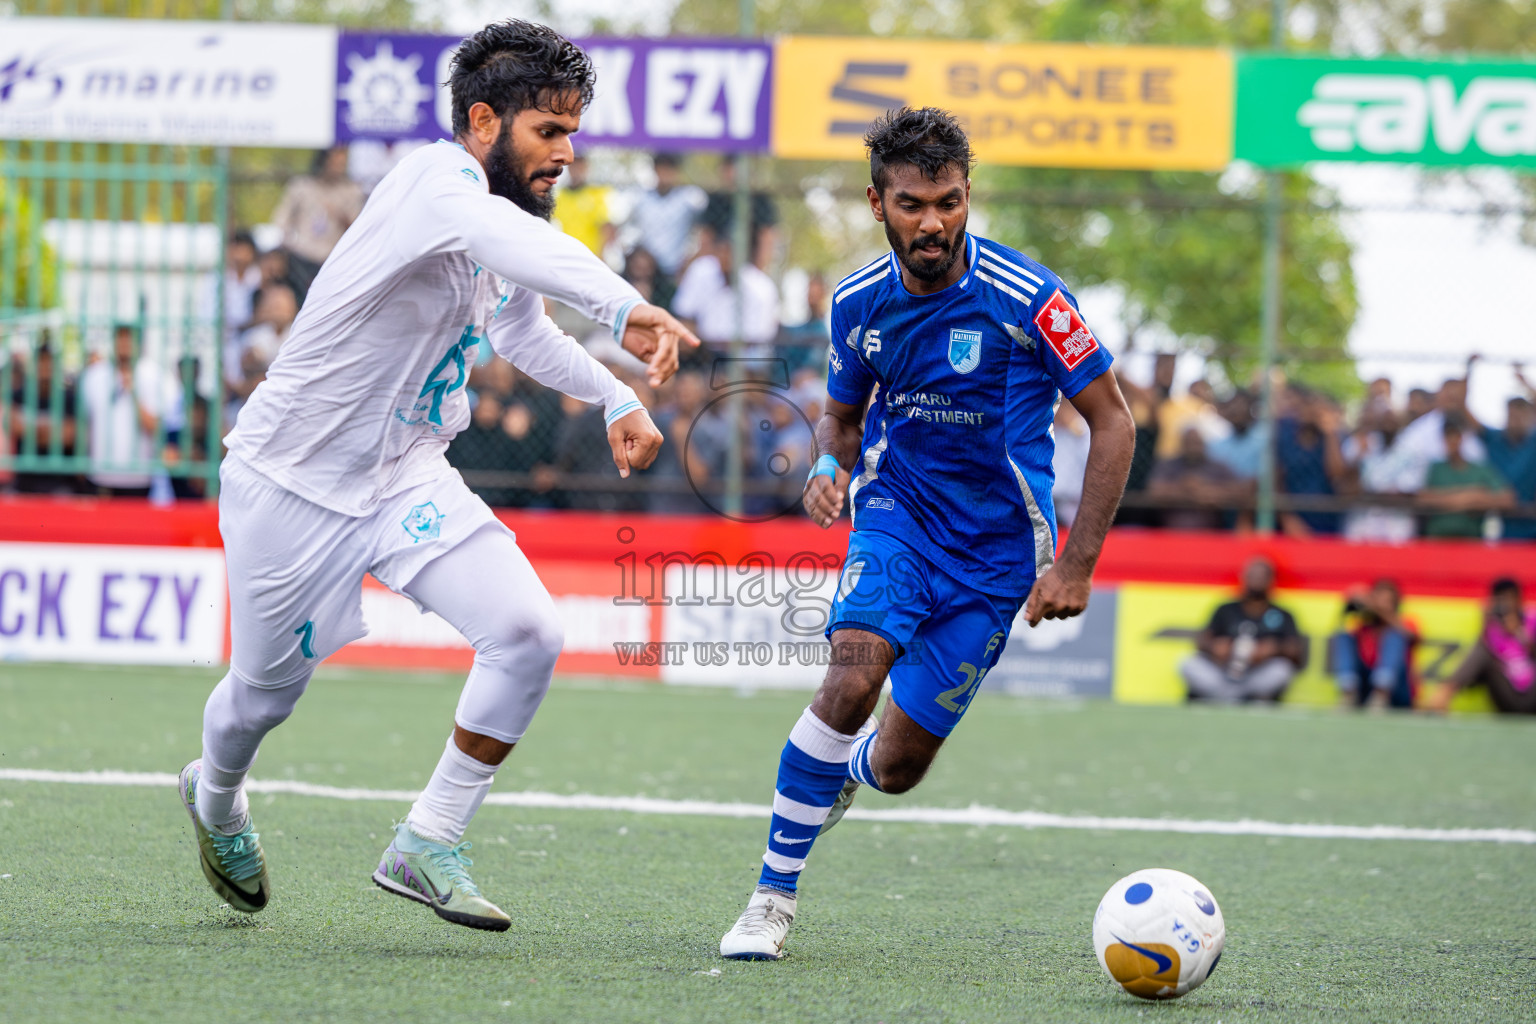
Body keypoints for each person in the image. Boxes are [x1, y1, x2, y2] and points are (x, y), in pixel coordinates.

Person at [177, 21, 700, 932]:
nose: (567, 153)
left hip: (407, 476)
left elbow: (521, 327)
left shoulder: (509, 219)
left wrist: (613, 395)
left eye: (574, 132)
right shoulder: (435, 181)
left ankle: (427, 838)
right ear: (485, 119)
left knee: (529, 632)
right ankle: (216, 795)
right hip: (289, 481)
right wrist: (624, 305)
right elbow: (503, 240)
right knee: (261, 700)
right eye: (550, 131)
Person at [717, 107, 1135, 960]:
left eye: (948, 200)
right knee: (848, 681)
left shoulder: (1033, 300)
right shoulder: (855, 303)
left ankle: (844, 776)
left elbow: (1115, 423)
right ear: (878, 203)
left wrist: (1077, 565)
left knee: (899, 768)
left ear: (969, 194)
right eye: (912, 203)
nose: (933, 221)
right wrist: (829, 469)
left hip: (996, 562)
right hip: (897, 520)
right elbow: (840, 417)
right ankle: (770, 899)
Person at [1179, 557, 1304, 703]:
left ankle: (1236, 697)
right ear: (1244, 577)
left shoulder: (1282, 614)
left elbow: (1295, 651)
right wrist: (1214, 647)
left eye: (1262, 576)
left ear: (1271, 580)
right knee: (1188, 663)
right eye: (1252, 575)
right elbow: (1201, 640)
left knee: (1281, 670)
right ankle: (1230, 697)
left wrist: (1274, 649)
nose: (1256, 580)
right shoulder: (1226, 609)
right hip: (1223, 671)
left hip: (1254, 674)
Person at [79, 324, 182, 497]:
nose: (124, 343)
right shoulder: (94, 375)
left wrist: (134, 394)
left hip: (138, 479)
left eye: (129, 338)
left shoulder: (155, 375)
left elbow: (156, 428)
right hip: (100, 477)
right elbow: (85, 424)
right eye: (120, 337)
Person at [270, 145, 367, 300]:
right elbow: (282, 220)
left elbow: (359, 228)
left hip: (334, 261)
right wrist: (289, 243)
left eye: (342, 164)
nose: (338, 168)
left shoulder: (351, 191)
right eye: (334, 162)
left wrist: (341, 216)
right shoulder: (301, 186)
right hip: (301, 258)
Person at [1430, 578, 1536, 714]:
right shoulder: (1492, 631)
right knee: (1483, 651)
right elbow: (1479, 664)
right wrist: (1486, 625)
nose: (1507, 605)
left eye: (1510, 599)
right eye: (1502, 601)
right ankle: (1445, 693)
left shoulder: (1532, 620)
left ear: (1519, 599)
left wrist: (1520, 633)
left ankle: (1444, 691)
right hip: (1507, 694)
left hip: (1532, 691)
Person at [671, 228, 780, 359]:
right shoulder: (701, 270)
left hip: (743, 357)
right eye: (721, 251)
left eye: (730, 252)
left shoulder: (761, 287)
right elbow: (684, 315)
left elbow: (757, 338)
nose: (725, 257)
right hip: (702, 351)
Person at [1420, 414, 1512, 539]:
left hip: (1471, 542)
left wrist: (1479, 502)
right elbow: (1424, 498)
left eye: (1456, 435)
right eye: (1448, 436)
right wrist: (1470, 497)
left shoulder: (1480, 469)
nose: (1452, 441)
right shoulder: (1437, 468)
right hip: (1439, 541)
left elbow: (1507, 499)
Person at [625, 153, 706, 291]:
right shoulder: (641, 198)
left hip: (677, 268)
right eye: (661, 168)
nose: (665, 174)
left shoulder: (690, 197)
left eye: (669, 169)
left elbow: (702, 231)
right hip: (647, 272)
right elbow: (628, 231)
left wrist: (690, 259)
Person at [1332, 579, 1418, 709]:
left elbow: (1412, 638)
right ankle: (1348, 692)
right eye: (1379, 600)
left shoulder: (1406, 623)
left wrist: (1380, 611)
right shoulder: (1363, 628)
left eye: (1387, 602)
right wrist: (1352, 601)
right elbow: (1339, 628)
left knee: (1394, 637)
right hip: (1366, 689)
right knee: (1344, 637)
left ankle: (1381, 693)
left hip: (1398, 690)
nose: (1382, 605)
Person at [1145, 427, 1249, 531]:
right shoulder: (1168, 465)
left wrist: (1209, 491)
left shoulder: (1218, 467)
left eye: (1196, 442)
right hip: (1169, 532)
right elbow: (1154, 491)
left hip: (1212, 532)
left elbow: (1239, 491)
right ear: (1182, 444)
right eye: (1189, 442)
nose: (1193, 446)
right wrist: (1184, 489)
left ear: (1204, 444)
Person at [1477, 395, 1536, 539]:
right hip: (1499, 530)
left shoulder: (1533, 443)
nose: (1516, 420)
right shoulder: (1494, 439)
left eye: (1521, 415)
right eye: (1512, 415)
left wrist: (1527, 386)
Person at [552, 153, 614, 259]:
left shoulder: (598, 193)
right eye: (574, 164)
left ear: (586, 167)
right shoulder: (558, 196)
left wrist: (601, 256)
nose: (577, 169)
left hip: (590, 257)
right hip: (566, 256)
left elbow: (606, 227)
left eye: (580, 164)